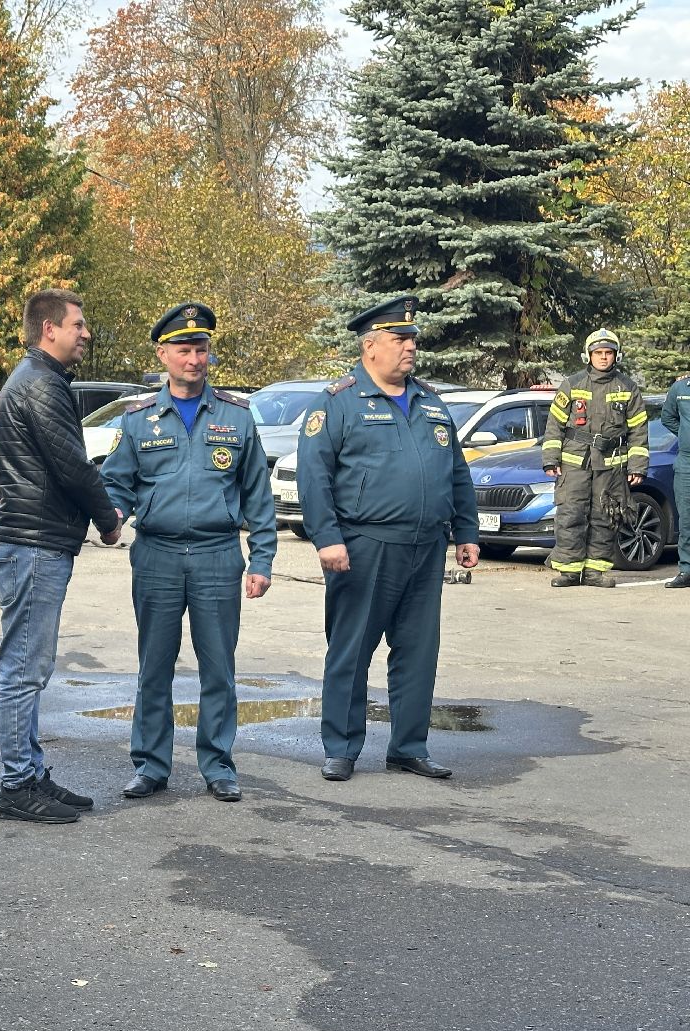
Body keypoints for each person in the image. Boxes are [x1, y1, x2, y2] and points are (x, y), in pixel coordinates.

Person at [295, 296, 478, 783]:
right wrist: (327, 539)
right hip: (363, 545)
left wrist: (466, 531)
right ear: (370, 346)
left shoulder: (430, 400)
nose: (410, 347)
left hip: (425, 546)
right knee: (351, 650)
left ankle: (408, 746)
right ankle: (341, 746)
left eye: (413, 339)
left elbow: (456, 471)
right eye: (400, 339)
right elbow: (314, 476)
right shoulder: (338, 401)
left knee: (418, 651)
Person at [101, 303, 276, 803]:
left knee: (218, 666)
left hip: (218, 555)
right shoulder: (138, 420)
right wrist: (112, 516)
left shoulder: (237, 418)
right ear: (163, 354)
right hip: (155, 554)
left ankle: (218, 765)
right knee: (153, 665)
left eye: (201, 349)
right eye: (183, 349)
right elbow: (118, 483)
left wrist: (261, 559)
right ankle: (151, 764)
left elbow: (258, 496)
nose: (194, 359)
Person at [0, 289, 123, 824]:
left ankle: (30, 771)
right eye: (78, 324)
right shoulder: (42, 385)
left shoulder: (39, 380)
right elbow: (73, 466)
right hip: (32, 544)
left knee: (30, 666)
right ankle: (17, 785)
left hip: (33, 542)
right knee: (24, 668)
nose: (86, 333)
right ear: (49, 329)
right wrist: (108, 519)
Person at [541, 329, 649, 588]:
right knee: (570, 515)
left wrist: (638, 466)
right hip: (574, 464)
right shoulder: (572, 384)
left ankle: (595, 572)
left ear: (616, 356)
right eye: (598, 353)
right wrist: (550, 459)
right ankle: (568, 571)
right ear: (588, 356)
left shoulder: (628, 388)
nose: (603, 357)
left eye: (608, 353)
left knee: (606, 516)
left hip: (611, 466)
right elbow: (554, 424)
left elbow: (638, 431)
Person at [661, 369, 690, 589]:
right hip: (686, 463)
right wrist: (684, 434)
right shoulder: (680, 388)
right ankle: (687, 570)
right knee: (687, 519)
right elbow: (667, 417)